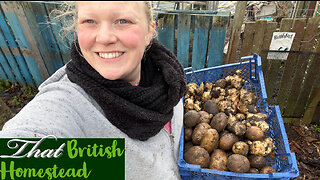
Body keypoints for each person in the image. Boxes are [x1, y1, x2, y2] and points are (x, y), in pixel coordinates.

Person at [0, 2, 186, 179]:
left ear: (149, 32)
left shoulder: (169, 80)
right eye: (90, 21)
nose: (104, 38)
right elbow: (12, 161)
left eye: (123, 21)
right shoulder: (68, 104)